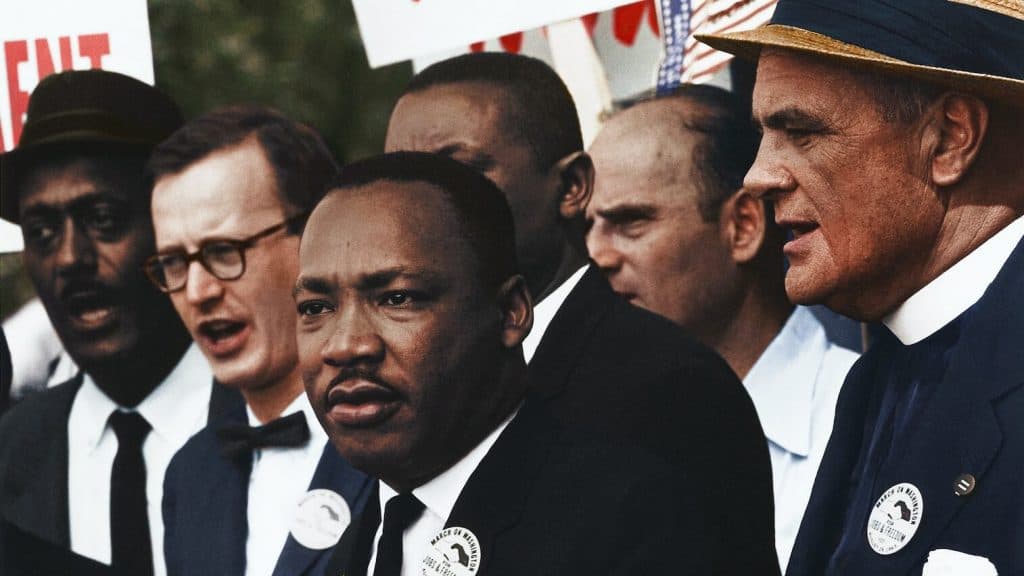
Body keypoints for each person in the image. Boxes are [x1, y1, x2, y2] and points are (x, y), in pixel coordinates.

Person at [384, 52, 779, 573]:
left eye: (458, 173)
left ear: (571, 187)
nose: (415, 210)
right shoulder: (411, 386)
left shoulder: (669, 389)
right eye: (398, 180)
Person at [700, 1, 1024, 574]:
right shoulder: (885, 373)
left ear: (950, 140)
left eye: (801, 131)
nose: (758, 175)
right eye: (764, 133)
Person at [298, 151, 695, 576]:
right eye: (316, 307)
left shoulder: (634, 520)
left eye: (397, 298)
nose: (344, 345)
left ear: (510, 312)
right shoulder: (357, 544)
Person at [585, 84, 859, 571]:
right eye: (586, 228)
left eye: (630, 222)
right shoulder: (583, 433)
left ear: (743, 226)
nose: (597, 255)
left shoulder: (864, 415)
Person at [0, 69, 223, 576]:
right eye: (41, 231)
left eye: (102, 218)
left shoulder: (274, 418)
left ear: (175, 226)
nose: (70, 258)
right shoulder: (12, 453)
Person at [147, 106, 372, 576]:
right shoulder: (190, 475)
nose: (197, 292)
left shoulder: (408, 434)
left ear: (317, 235)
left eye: (223, 251)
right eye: (173, 263)